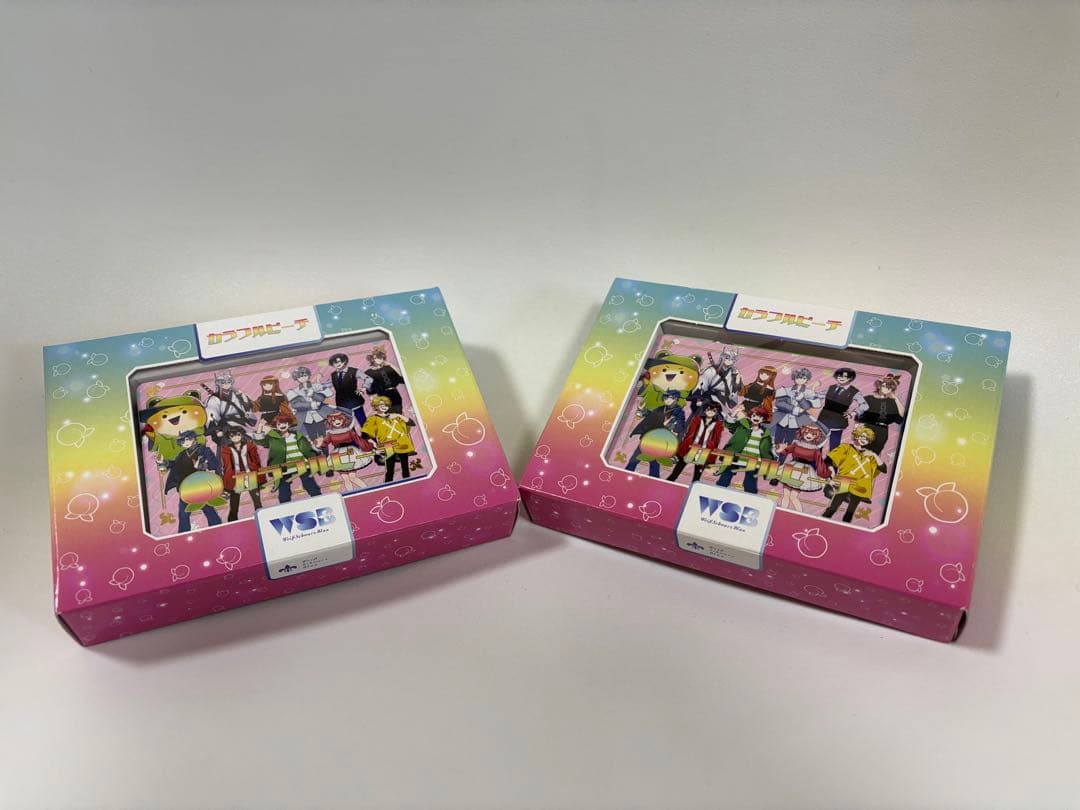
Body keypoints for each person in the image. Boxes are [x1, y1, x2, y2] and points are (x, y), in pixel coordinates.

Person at [252, 408, 322, 503]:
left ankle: (319, 500)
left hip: (302, 464)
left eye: (284, 423)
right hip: (283, 467)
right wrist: (260, 427)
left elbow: (307, 449)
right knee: (284, 490)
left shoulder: (297, 435)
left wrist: (316, 447)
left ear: (288, 424)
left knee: (310, 484)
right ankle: (285, 507)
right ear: (276, 426)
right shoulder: (273, 439)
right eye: (279, 424)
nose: (282, 426)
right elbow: (259, 441)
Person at [822, 425, 886, 523]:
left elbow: (883, 469)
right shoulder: (846, 448)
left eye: (867, 438)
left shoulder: (870, 455)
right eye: (862, 436)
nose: (864, 440)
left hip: (861, 484)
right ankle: (824, 521)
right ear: (857, 435)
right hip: (844, 481)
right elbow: (828, 461)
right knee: (833, 507)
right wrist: (832, 475)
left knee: (850, 512)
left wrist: (874, 455)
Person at [165, 430, 223, 532]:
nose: (185, 443)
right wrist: (164, 462)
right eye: (182, 441)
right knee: (183, 514)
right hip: (186, 487)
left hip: (200, 485)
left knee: (208, 509)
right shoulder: (182, 454)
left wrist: (202, 465)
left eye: (187, 439)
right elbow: (174, 464)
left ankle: (217, 528)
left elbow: (215, 464)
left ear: (194, 438)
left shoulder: (204, 450)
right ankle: (183, 534)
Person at [715, 405, 775, 495]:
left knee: (750, 484)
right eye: (754, 415)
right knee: (725, 478)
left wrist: (769, 462)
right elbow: (729, 424)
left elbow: (767, 449)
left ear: (763, 419)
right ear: (750, 416)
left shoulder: (765, 434)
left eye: (759, 417)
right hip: (736, 457)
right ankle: (717, 493)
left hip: (754, 461)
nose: (756, 418)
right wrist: (735, 412)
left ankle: (750, 498)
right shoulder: (742, 426)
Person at [774, 423, 829, 512]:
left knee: (793, 496)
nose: (809, 435)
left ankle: (800, 513)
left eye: (813, 434)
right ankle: (781, 511)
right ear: (802, 433)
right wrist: (779, 449)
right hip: (791, 469)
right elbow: (786, 451)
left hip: (804, 473)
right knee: (786, 494)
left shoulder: (815, 450)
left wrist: (824, 474)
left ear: (816, 436)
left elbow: (820, 463)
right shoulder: (796, 444)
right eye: (806, 433)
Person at [362, 396, 418, 482]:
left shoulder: (395, 416)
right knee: (389, 469)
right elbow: (365, 435)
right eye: (381, 405)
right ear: (376, 406)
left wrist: (398, 415)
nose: (384, 406)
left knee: (405, 468)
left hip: (402, 443)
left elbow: (411, 423)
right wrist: (375, 446)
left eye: (386, 405)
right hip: (387, 445)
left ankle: (408, 484)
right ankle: (388, 485)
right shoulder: (373, 419)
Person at [667, 401, 724, 483]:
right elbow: (690, 433)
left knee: (698, 472)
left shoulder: (718, 424)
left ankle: (694, 486)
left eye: (714, 410)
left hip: (705, 450)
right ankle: (670, 480)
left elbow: (716, 439)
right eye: (708, 409)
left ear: (716, 412)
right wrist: (686, 446)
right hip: (692, 446)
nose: (710, 412)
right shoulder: (697, 419)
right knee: (680, 465)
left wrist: (711, 451)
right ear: (705, 410)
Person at [220, 425, 264, 522]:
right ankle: (232, 521)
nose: (236, 437)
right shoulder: (226, 450)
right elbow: (227, 466)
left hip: (249, 475)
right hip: (236, 477)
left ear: (241, 435)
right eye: (232, 436)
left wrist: (256, 473)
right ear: (229, 437)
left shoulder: (249, 446)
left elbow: (256, 460)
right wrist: (231, 480)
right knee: (234, 503)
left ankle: (261, 517)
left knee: (256, 500)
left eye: (238, 434)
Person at [855, 373, 906, 455]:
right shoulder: (868, 399)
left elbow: (903, 415)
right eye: (885, 386)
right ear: (879, 386)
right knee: (860, 452)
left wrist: (895, 398)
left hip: (882, 431)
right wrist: (857, 430)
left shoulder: (892, 402)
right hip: (867, 428)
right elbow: (858, 416)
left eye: (889, 387)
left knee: (874, 454)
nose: (886, 389)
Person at [817, 367, 865, 451]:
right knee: (818, 442)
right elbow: (818, 396)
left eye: (844, 376)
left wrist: (852, 413)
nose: (841, 378)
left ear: (850, 378)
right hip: (824, 419)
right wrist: (814, 388)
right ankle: (816, 459)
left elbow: (864, 405)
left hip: (838, 421)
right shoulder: (831, 387)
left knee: (834, 445)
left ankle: (831, 459)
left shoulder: (854, 391)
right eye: (839, 376)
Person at [285, 366, 334, 442]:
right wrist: (311, 405)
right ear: (296, 378)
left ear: (308, 375)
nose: (303, 378)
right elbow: (295, 405)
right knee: (311, 436)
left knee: (324, 435)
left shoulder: (316, 386)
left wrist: (313, 394)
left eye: (305, 375)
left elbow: (324, 396)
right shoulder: (295, 391)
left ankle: (325, 449)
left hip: (320, 414)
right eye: (300, 377)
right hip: (306, 417)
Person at [328, 352, 372, 424]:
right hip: (342, 403)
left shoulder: (354, 371)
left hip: (355, 401)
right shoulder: (333, 375)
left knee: (363, 422)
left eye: (339, 361)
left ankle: (367, 431)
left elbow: (369, 379)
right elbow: (326, 385)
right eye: (335, 363)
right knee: (348, 424)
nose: (338, 364)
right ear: (332, 364)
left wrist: (363, 388)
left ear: (344, 361)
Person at [365, 346, 406, 414]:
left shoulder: (388, 368)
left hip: (395, 394)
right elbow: (370, 390)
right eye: (376, 358)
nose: (379, 359)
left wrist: (390, 364)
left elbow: (402, 377)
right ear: (372, 359)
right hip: (382, 396)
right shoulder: (368, 372)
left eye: (380, 357)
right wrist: (373, 401)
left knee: (399, 413)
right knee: (388, 415)